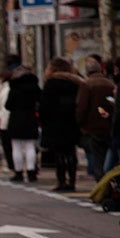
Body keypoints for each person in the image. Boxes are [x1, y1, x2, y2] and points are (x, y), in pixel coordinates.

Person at [40, 57, 82, 192]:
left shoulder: (51, 83)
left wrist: (44, 122)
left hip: (56, 123)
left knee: (59, 153)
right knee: (71, 152)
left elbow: (45, 106)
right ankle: (72, 181)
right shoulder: (76, 82)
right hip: (72, 121)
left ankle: (62, 180)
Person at [75, 58, 116, 182]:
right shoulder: (110, 83)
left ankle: (101, 183)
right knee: (107, 156)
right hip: (108, 125)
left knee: (96, 156)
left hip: (92, 126)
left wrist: (80, 123)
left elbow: (81, 107)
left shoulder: (86, 84)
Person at [5, 66, 41, 183]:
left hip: (16, 118)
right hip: (30, 117)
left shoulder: (14, 87)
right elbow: (41, 100)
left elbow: (8, 105)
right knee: (30, 146)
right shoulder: (34, 87)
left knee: (16, 147)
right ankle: (31, 172)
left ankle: (18, 172)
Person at [0, 70, 14, 174]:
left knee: (8, 145)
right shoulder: (5, 89)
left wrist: (0, 119)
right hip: (5, 120)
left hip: (5, 121)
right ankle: (12, 164)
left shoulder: (6, 89)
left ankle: (11, 165)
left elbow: (5, 107)